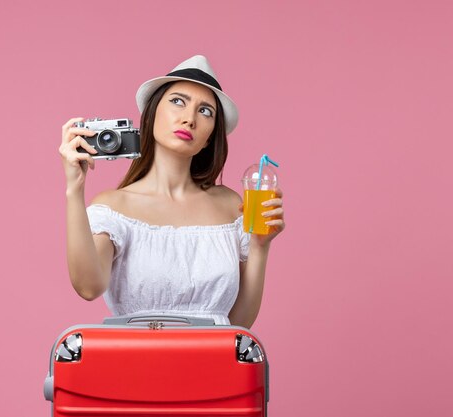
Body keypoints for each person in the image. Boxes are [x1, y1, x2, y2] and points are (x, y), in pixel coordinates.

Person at [59, 55, 285, 328]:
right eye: (178, 101)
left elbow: (237, 326)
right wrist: (74, 189)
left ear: (210, 137)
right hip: (135, 365)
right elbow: (88, 287)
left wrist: (260, 248)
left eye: (205, 111)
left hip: (214, 367)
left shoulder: (230, 205)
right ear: (152, 114)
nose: (189, 119)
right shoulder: (114, 207)